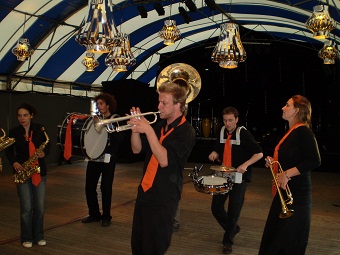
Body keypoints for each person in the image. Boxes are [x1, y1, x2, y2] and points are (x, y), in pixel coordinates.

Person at [129, 81, 196, 255]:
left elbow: (164, 159)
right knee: (138, 244)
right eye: (159, 102)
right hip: (145, 192)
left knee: (154, 247)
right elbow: (136, 149)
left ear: (178, 105)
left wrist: (148, 131)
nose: (159, 106)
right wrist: (135, 129)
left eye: (164, 103)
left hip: (164, 198)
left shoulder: (186, 131)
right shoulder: (159, 126)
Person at [259, 95, 321, 255]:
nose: (283, 108)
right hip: (285, 194)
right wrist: (273, 162)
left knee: (288, 244)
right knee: (274, 241)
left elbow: (315, 160)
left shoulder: (303, 131)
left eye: (287, 105)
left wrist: (286, 174)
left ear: (296, 111)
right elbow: (292, 158)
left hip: (297, 197)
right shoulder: (292, 131)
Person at [208, 106, 263, 254]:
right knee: (216, 208)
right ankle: (233, 229)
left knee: (234, 211)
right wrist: (214, 153)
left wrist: (245, 164)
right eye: (225, 120)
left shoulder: (243, 133)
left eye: (231, 120)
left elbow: (259, 154)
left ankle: (228, 242)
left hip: (239, 178)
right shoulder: (221, 132)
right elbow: (218, 149)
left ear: (237, 120)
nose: (228, 124)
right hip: (223, 176)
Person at [5, 103, 50, 248]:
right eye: (19, 115)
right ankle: (26, 237)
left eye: (25, 115)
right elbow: (9, 151)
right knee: (26, 208)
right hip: (22, 172)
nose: (22, 118)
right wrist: (14, 163)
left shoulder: (39, 129)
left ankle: (39, 236)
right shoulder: (13, 132)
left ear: (31, 115)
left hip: (39, 172)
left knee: (40, 207)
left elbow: (46, 146)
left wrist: (44, 153)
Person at [81, 93, 123, 227]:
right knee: (89, 187)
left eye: (101, 104)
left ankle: (106, 216)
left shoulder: (115, 119)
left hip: (108, 158)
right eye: (98, 104)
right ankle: (94, 214)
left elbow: (118, 140)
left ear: (108, 105)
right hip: (94, 157)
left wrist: (109, 151)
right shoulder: (96, 119)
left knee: (106, 187)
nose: (99, 106)